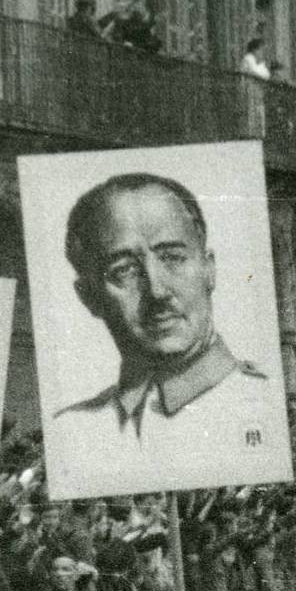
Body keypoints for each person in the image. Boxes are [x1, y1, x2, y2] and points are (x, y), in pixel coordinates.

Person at [46, 173, 276, 465]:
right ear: (88, 297)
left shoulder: (269, 407)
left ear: (209, 269)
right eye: (124, 270)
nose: (156, 291)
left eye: (173, 258)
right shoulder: (70, 433)